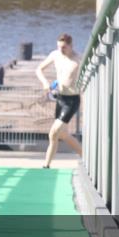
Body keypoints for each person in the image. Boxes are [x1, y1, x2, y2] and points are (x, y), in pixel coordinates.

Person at [36, 33, 84, 168]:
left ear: (70, 46)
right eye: (59, 47)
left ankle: (46, 164)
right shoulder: (55, 55)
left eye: (63, 47)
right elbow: (39, 69)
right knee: (62, 135)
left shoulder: (78, 59)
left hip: (72, 100)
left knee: (53, 132)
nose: (61, 50)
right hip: (60, 98)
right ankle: (84, 156)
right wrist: (45, 83)